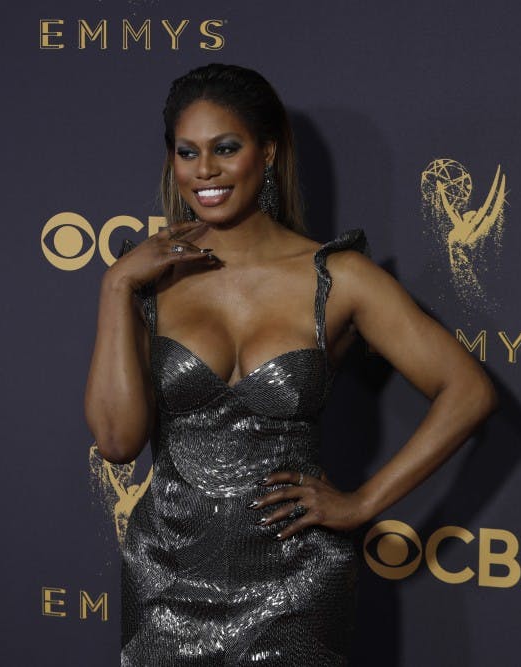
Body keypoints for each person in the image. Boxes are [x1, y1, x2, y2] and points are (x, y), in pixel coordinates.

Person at [83, 63, 496, 666]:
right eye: (187, 151)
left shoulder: (340, 277)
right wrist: (116, 286)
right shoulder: (147, 276)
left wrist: (360, 503)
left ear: (268, 152)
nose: (205, 171)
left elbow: (467, 390)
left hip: (296, 580)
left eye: (226, 148)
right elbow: (118, 441)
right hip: (165, 576)